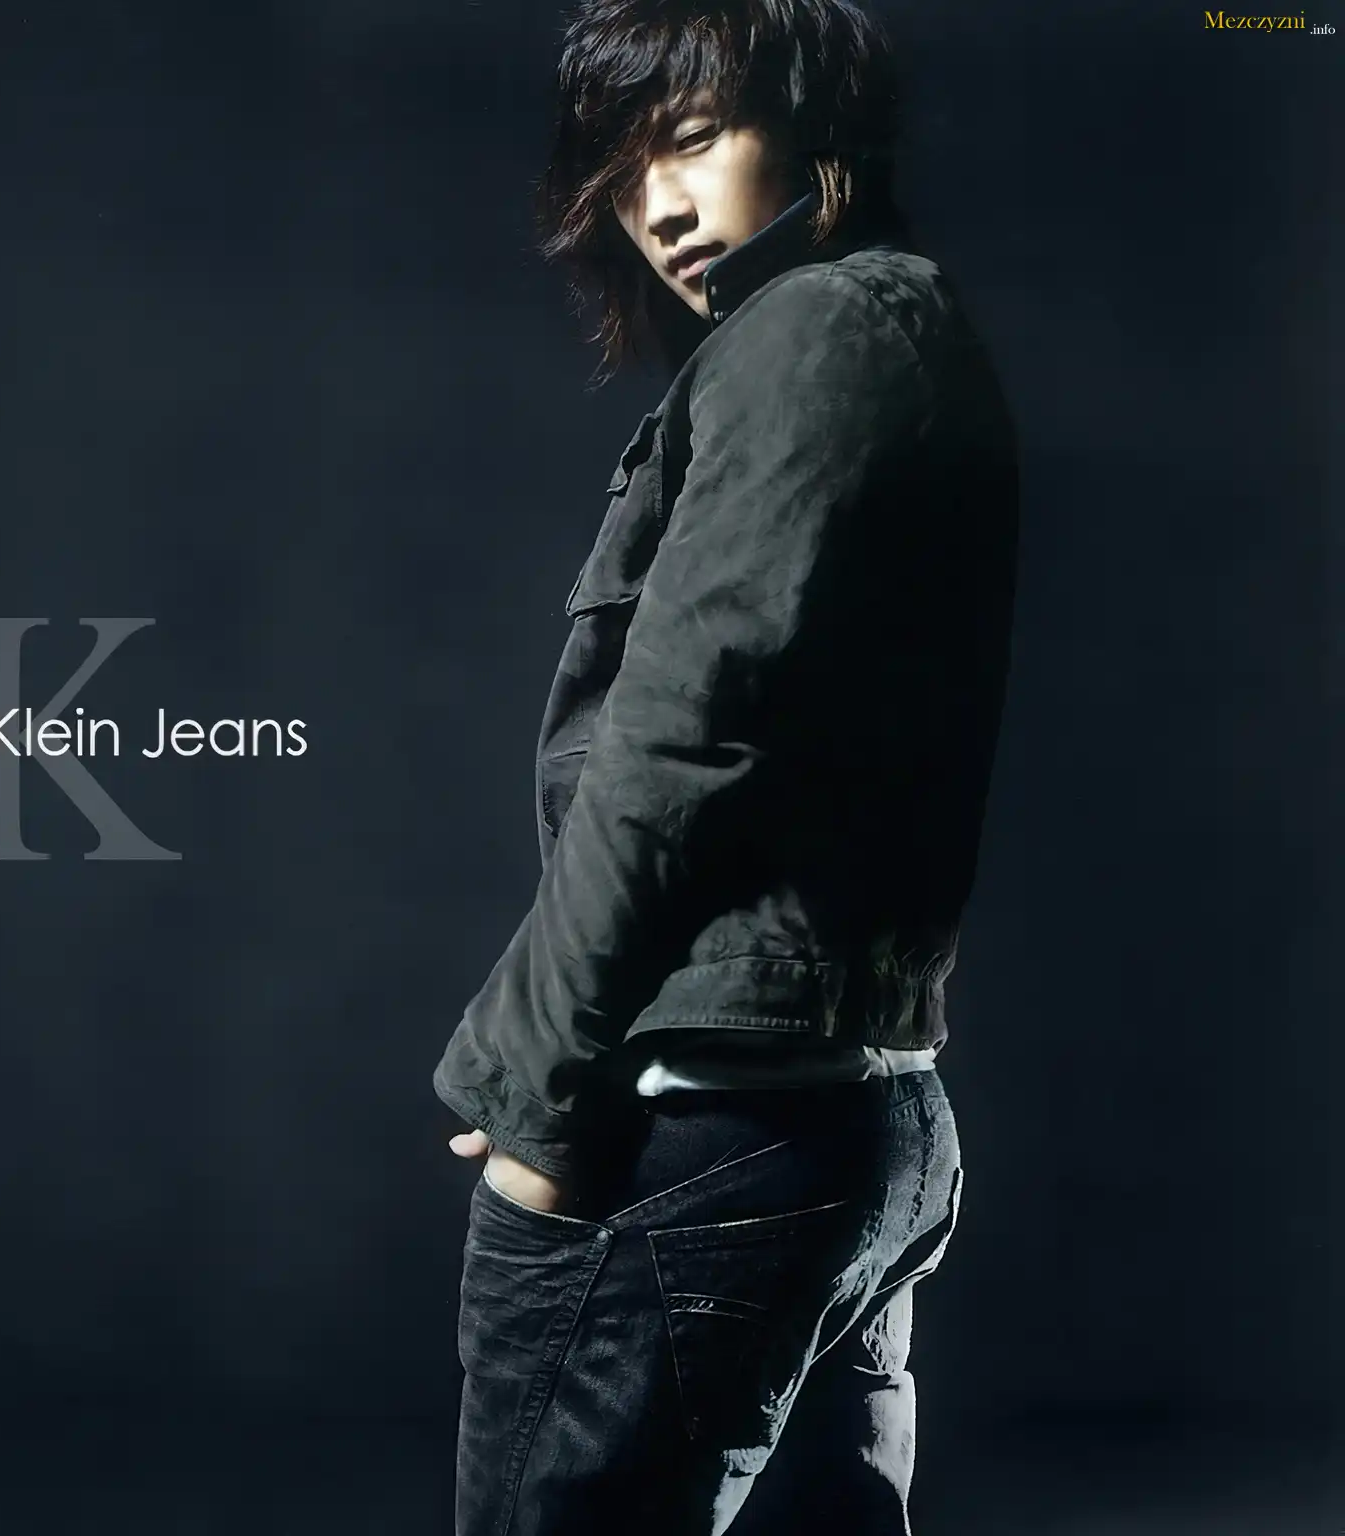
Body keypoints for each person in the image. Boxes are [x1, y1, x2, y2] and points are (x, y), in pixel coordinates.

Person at [428, 1, 1020, 1531]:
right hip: (841, 1118)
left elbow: (681, 742)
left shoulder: (815, 334)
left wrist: (539, 1101)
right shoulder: (886, 337)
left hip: (714, 1146)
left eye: (693, 140)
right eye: (627, 175)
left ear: (815, 118)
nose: (662, 209)